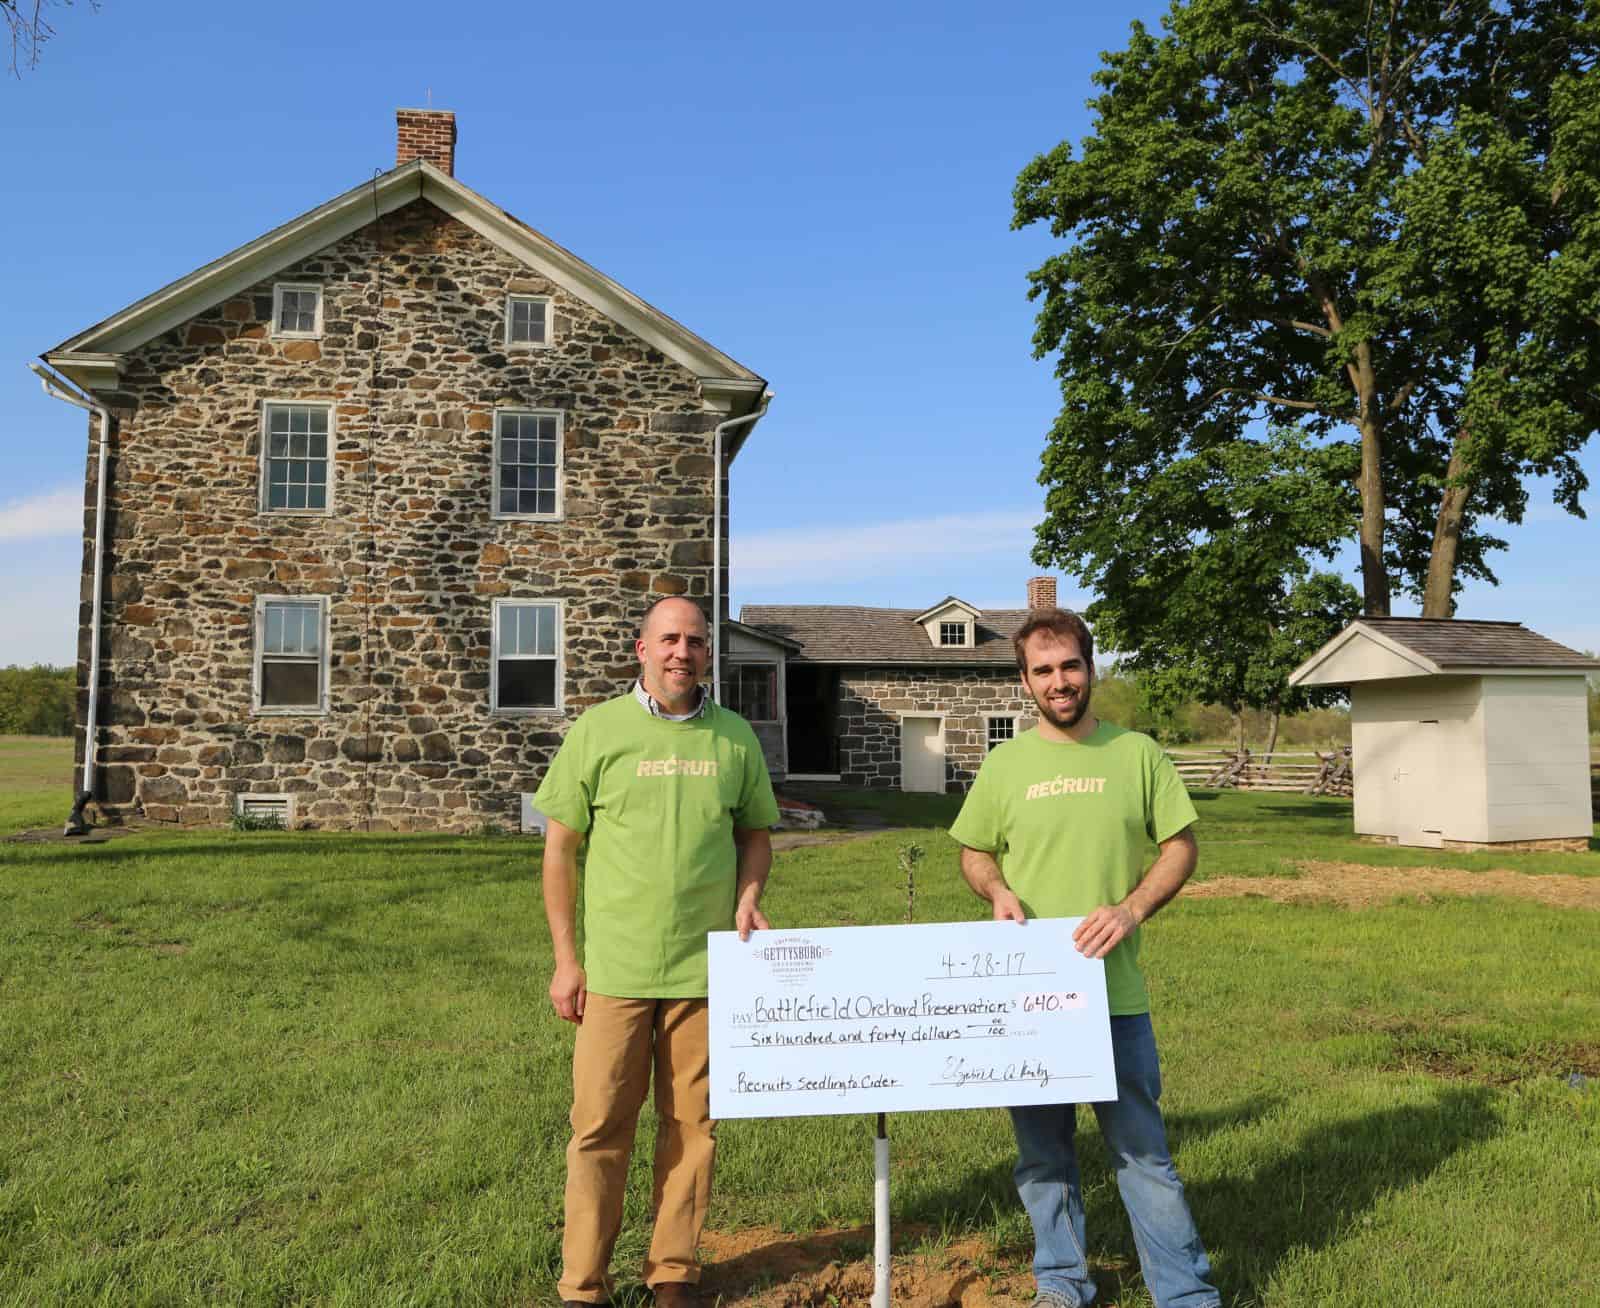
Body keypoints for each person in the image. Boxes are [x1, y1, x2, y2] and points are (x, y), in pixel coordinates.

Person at [949, 608, 1221, 1308]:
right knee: (1043, 1158)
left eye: (1070, 665)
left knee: (1143, 1158)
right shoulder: (1006, 763)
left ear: (1090, 668)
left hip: (1115, 999)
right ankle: (1063, 1285)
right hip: (1029, 1001)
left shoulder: (1137, 754)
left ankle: (1184, 1293)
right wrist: (997, 888)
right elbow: (973, 849)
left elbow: (1181, 847)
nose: (1059, 681)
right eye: (1043, 670)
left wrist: (1130, 909)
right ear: (1024, 681)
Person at [536, 595, 780, 1308]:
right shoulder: (599, 730)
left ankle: (673, 1272)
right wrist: (566, 959)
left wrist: (747, 894)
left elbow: (756, 834)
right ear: (641, 649)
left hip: (704, 972)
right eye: (669, 639)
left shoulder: (735, 738)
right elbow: (560, 849)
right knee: (599, 1128)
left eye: (696, 641)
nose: (683, 652)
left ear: (710, 653)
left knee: (692, 1128)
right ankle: (583, 1285)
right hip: (613, 971)